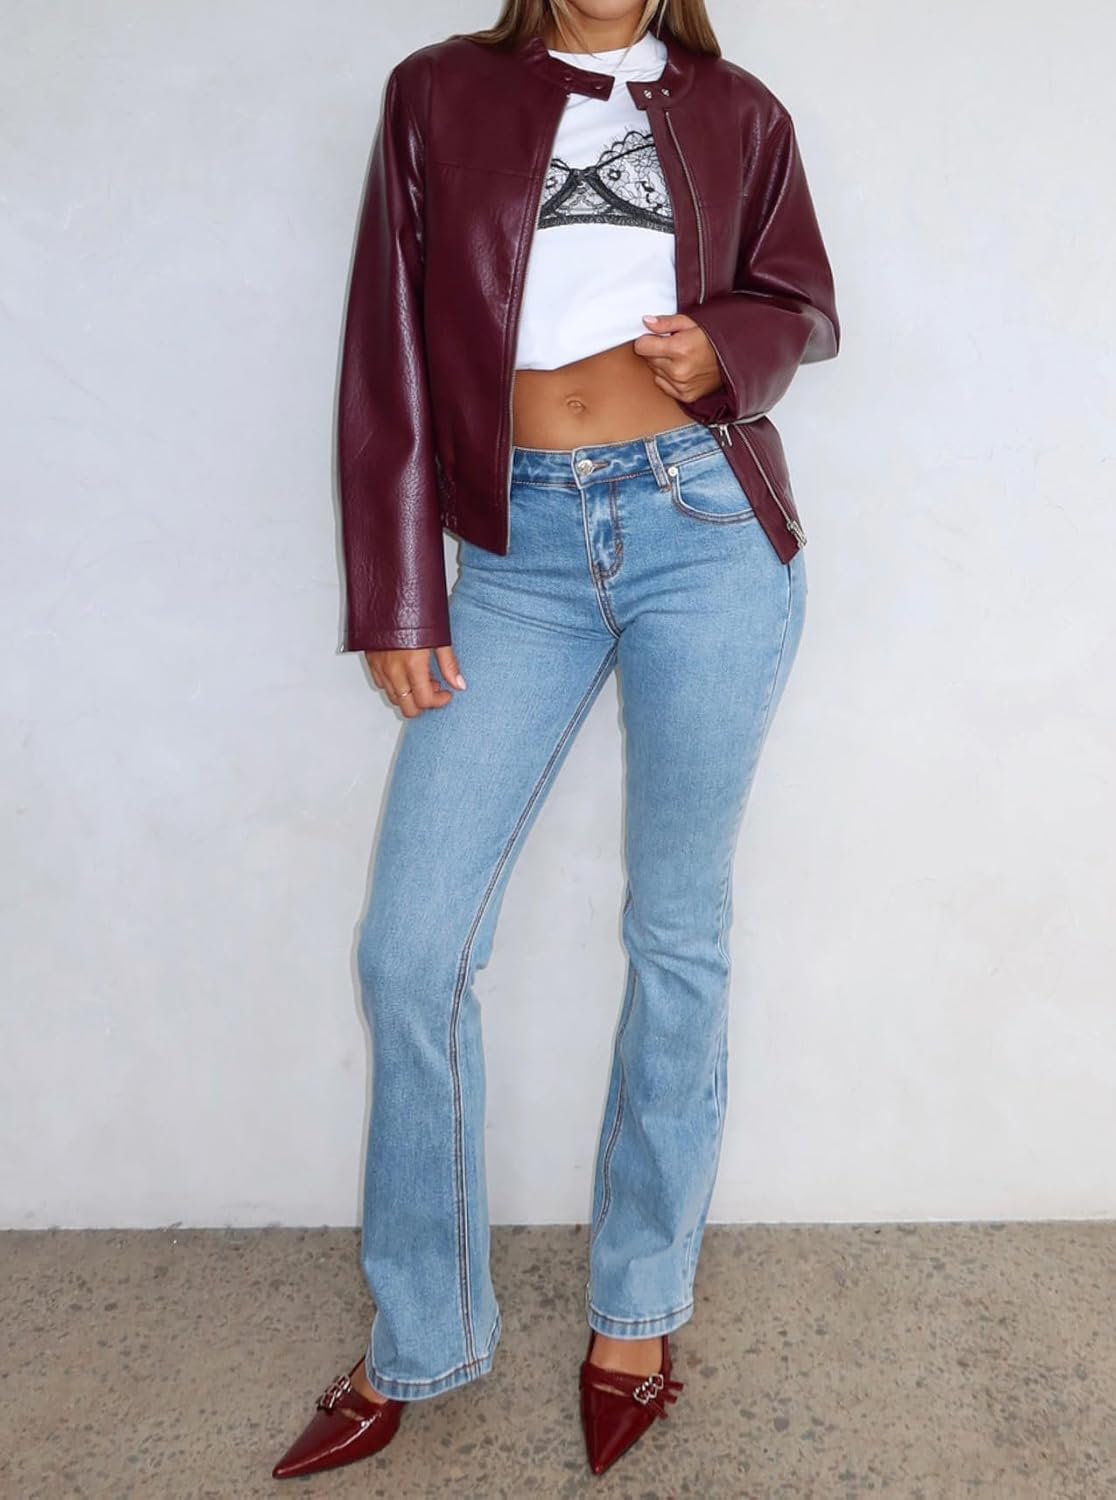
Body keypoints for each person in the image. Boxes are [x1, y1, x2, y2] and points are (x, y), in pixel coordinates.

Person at [273, 0, 839, 1480]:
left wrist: (728, 346)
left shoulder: (737, 106)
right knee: (411, 949)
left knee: (676, 930)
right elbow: (389, 347)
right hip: (516, 553)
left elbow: (802, 300)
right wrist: (398, 593)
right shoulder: (439, 93)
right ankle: (423, 1330)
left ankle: (638, 1311)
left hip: (706, 531)